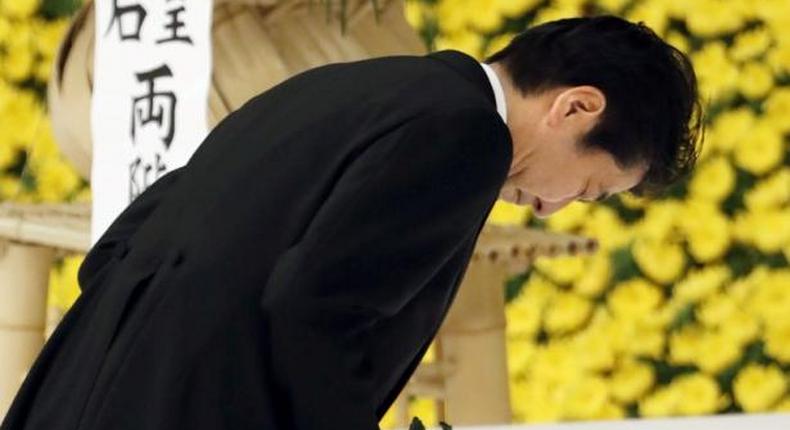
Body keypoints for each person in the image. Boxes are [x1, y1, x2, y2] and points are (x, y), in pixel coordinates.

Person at [2, 14, 703, 430]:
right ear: (576, 108)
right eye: (586, 189)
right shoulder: (468, 135)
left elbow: (126, 237)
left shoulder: (354, 85)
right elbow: (313, 308)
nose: (553, 208)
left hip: (78, 387)